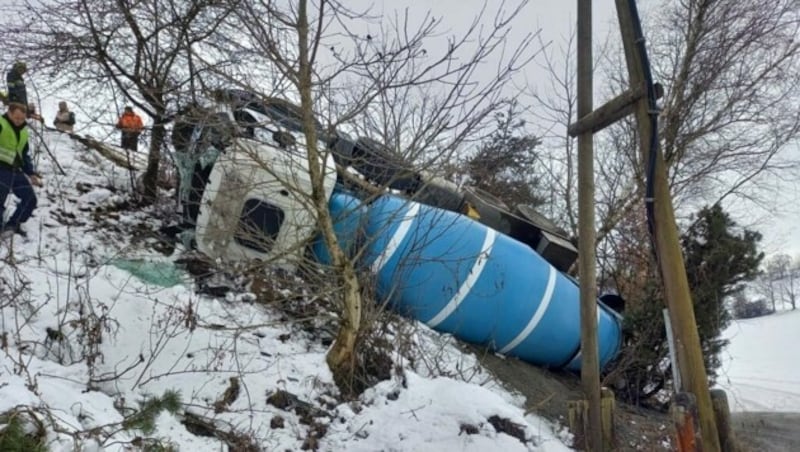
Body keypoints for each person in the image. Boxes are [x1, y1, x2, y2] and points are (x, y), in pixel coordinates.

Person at [0, 103, 42, 237]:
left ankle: (13, 225)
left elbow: (23, 154)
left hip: (15, 170)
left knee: (30, 199)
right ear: (9, 113)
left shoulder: (23, 131)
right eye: (16, 117)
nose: (19, 121)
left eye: (22, 119)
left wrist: (30, 173)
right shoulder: (1, 124)